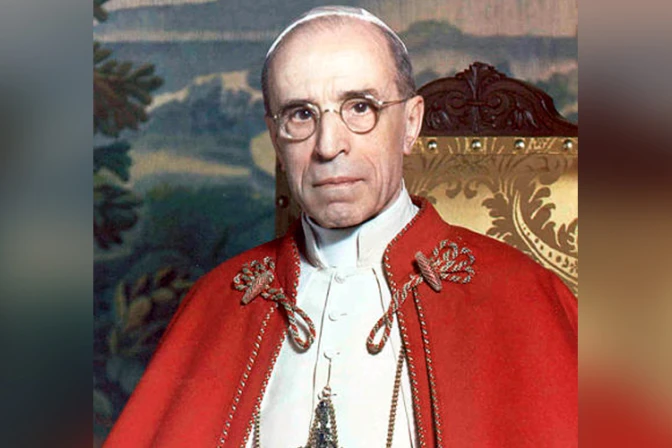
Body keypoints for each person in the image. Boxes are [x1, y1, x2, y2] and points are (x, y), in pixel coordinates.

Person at [104, 6, 577, 448]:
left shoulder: (521, 295)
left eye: (360, 107)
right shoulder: (217, 300)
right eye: (301, 114)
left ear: (411, 124)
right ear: (275, 138)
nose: (329, 146)